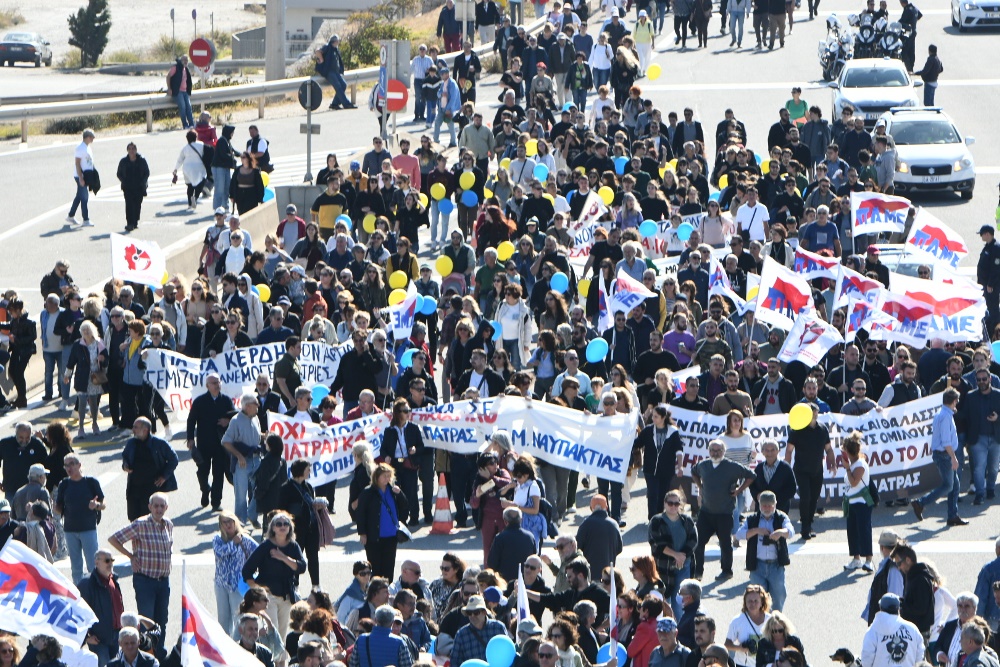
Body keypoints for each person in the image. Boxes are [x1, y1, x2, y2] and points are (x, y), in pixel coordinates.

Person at [108, 492, 174, 638]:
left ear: (166, 507)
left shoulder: (168, 524)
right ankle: (147, 652)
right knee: (146, 622)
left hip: (163, 581)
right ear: (150, 507)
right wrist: (131, 556)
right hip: (145, 581)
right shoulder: (140, 524)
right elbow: (114, 539)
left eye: (162, 506)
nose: (159, 509)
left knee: (162, 621)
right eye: (155, 506)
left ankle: (160, 654)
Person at [692, 439, 755, 581]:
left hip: (725, 513)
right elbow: (693, 471)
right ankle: (698, 572)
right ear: (708, 451)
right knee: (698, 543)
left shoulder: (732, 466)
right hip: (706, 512)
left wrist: (739, 490)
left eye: (719, 450)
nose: (715, 453)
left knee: (726, 545)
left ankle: (727, 571)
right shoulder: (703, 465)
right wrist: (700, 487)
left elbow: (751, 476)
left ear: (724, 451)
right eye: (713, 450)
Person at [911, 388, 965, 525]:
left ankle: (953, 515)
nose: (957, 403)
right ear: (953, 401)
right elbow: (946, 441)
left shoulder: (942, 414)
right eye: (956, 401)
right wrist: (953, 457)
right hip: (944, 455)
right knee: (948, 486)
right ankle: (920, 503)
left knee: (955, 485)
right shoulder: (946, 417)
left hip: (942, 454)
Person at [783, 403, 834, 539]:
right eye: (811, 412)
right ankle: (805, 527)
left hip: (817, 470)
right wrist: (786, 467)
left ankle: (809, 523)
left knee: (814, 498)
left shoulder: (822, 429)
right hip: (801, 470)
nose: (814, 414)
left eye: (815, 412)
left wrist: (832, 463)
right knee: (805, 497)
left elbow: (828, 449)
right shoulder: (797, 429)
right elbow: (789, 450)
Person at [736, 492, 793, 611]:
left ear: (775, 505)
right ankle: (761, 622)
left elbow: (791, 531)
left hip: (776, 565)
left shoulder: (781, 517)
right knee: (758, 599)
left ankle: (776, 622)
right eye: (764, 505)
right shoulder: (752, 519)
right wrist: (756, 531)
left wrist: (780, 533)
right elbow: (739, 534)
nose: (767, 508)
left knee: (779, 596)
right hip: (757, 565)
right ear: (759, 505)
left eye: (770, 505)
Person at [54, 453, 104, 585]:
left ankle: (96, 589)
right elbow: (59, 507)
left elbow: (103, 505)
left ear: (79, 465)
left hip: (88, 529)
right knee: (76, 567)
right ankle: (80, 592)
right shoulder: (64, 484)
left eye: (72, 464)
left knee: (93, 565)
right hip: (70, 530)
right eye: (66, 465)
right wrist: (54, 508)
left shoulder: (91, 482)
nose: (69, 468)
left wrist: (96, 505)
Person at [186, 373, 232, 512]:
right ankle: (205, 489)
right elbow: (191, 420)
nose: (217, 385)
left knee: (218, 474)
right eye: (213, 383)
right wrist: (190, 439)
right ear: (207, 386)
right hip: (204, 443)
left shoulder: (226, 400)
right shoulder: (200, 401)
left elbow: (235, 417)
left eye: (218, 382)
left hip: (221, 444)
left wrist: (227, 421)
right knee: (202, 471)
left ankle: (216, 502)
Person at [648, 489, 697, 618]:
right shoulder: (657, 521)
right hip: (663, 568)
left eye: (676, 503)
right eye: (670, 503)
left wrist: (682, 556)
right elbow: (657, 544)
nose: (673, 506)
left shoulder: (686, 520)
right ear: (664, 503)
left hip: (683, 566)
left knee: (680, 602)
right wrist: (676, 555)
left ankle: (680, 632)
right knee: (663, 602)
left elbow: (693, 540)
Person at [357, 463, 409, 579]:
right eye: (385, 476)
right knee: (375, 569)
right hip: (374, 537)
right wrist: (362, 533)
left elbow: (405, 505)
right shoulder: (368, 492)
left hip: (391, 536)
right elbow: (360, 514)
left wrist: (399, 494)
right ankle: (375, 593)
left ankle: (387, 593)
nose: (387, 479)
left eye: (389, 476)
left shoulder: (393, 490)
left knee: (389, 568)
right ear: (377, 477)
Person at [121, 418, 179, 522]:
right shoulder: (131, 443)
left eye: (136, 427)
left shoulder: (159, 444)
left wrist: (164, 476)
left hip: (151, 489)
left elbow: (173, 459)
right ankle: (136, 539)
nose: (133, 429)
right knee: (133, 519)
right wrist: (125, 465)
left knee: (149, 520)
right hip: (134, 488)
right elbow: (125, 457)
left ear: (146, 430)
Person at [78, 549, 125, 666]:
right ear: (97, 562)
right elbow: (79, 612)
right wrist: (87, 637)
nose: (110, 564)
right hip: (99, 639)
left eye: (112, 560)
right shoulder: (87, 584)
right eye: (107, 561)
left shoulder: (113, 580)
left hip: (116, 635)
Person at [861, 594, 924, 667]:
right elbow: (920, 658)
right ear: (898, 609)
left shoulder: (872, 631)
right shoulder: (912, 629)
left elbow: (866, 660)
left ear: (880, 608)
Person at [891, 545, 936, 637]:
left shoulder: (920, 579)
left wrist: (901, 606)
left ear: (908, 560)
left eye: (899, 563)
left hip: (919, 633)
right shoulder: (912, 576)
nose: (899, 568)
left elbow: (920, 608)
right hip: (913, 631)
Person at [577, 495, 624, 581]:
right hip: (609, 576)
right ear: (606, 507)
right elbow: (619, 548)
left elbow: (577, 547)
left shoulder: (585, 524)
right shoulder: (614, 524)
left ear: (591, 508)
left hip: (590, 575)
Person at [349, 605, 414, 667]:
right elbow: (407, 665)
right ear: (392, 622)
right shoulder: (399, 642)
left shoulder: (361, 639)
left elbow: (353, 664)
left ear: (375, 620)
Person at [725, 585, 772, 667]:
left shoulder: (770, 620)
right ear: (745, 603)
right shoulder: (737, 621)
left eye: (756, 601)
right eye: (749, 601)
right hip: (743, 664)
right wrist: (740, 648)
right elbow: (727, 644)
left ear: (762, 602)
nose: (752, 604)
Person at [488, 507, 537, 582]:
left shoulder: (500, 538)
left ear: (505, 521)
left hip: (505, 581)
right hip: (526, 580)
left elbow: (492, 563)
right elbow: (534, 558)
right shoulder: (530, 537)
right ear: (521, 520)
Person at [314, 35, 355, 110]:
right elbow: (317, 52)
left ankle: (334, 104)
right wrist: (321, 60)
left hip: (336, 72)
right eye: (337, 40)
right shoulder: (327, 47)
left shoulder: (336, 49)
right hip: (329, 72)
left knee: (343, 85)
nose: (338, 42)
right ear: (334, 41)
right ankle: (346, 104)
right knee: (338, 87)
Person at [116, 142, 150, 231]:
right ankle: (129, 223)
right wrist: (124, 181)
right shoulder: (123, 161)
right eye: (130, 149)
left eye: (133, 149)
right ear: (127, 150)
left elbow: (147, 172)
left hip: (139, 187)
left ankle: (135, 221)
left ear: (136, 150)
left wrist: (143, 181)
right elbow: (119, 173)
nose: (131, 151)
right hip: (128, 187)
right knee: (129, 205)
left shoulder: (142, 160)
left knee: (137, 204)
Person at [173, 130, 209, 210]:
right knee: (201, 181)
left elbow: (180, 159)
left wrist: (175, 169)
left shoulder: (185, 148)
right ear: (196, 137)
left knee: (190, 186)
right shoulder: (201, 144)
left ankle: (189, 203)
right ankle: (195, 197)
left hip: (187, 168)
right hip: (199, 167)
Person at [166, 55, 194, 129]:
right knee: (183, 107)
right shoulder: (175, 68)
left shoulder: (186, 69)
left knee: (188, 107)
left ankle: (191, 124)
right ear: (181, 60)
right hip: (178, 91)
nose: (185, 61)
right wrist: (169, 88)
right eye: (184, 60)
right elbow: (168, 77)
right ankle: (185, 124)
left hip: (185, 91)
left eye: (187, 60)